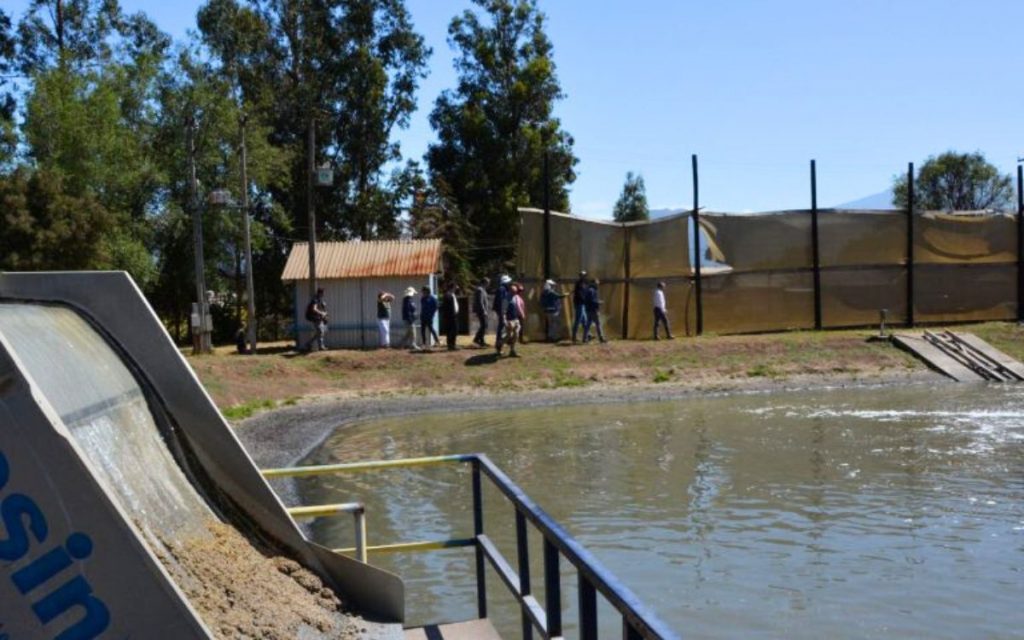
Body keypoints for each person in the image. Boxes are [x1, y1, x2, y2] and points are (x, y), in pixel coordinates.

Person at [501, 283, 526, 358]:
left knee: (516, 335)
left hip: (516, 319)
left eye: (515, 292)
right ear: (510, 291)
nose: (515, 293)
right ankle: (499, 346)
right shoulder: (506, 299)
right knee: (508, 336)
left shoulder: (515, 297)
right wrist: (505, 320)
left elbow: (518, 307)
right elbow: (503, 311)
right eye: (513, 292)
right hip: (509, 320)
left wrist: (521, 315)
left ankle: (512, 351)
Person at [302, 287, 328, 352]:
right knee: (320, 331)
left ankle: (309, 344)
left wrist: (324, 312)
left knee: (321, 331)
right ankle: (320, 346)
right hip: (314, 317)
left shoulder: (319, 299)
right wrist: (322, 313)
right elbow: (314, 309)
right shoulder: (315, 299)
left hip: (317, 317)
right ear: (320, 293)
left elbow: (321, 308)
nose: (323, 294)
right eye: (323, 293)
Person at [583, 278, 607, 343]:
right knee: (598, 324)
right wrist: (599, 302)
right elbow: (592, 301)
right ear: (593, 283)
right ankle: (601, 338)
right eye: (596, 283)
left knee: (588, 325)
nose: (597, 285)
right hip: (593, 310)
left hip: (588, 310)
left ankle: (584, 339)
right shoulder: (592, 290)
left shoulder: (588, 290)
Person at [493, 275, 511, 351]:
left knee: (502, 328)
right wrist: (503, 313)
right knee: (501, 329)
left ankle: (500, 345)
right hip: (502, 312)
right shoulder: (502, 289)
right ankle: (499, 346)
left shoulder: (503, 289)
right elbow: (501, 302)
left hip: (502, 311)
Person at [440, 283, 460, 351]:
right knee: (451, 331)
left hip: (453, 315)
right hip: (450, 316)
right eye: (455, 287)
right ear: (452, 287)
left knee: (454, 331)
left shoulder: (452, 294)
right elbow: (446, 307)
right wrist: (450, 315)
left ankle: (452, 345)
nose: (456, 289)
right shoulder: (447, 295)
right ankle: (451, 345)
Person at [472, 277, 490, 347]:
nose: (488, 284)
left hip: (483, 311)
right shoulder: (480, 290)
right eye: (488, 283)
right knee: (484, 325)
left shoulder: (482, 289)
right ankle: (477, 339)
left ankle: (481, 341)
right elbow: (480, 302)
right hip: (481, 311)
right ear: (484, 282)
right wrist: (484, 311)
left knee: (484, 325)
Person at [571, 270, 589, 343]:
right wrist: (584, 300)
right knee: (578, 321)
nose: (583, 276)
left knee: (585, 321)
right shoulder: (579, 284)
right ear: (580, 276)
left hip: (582, 304)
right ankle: (574, 337)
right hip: (579, 304)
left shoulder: (584, 284)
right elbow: (579, 295)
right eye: (582, 275)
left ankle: (586, 336)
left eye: (584, 275)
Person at [401, 287, 420, 351]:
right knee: (413, 332)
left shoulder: (409, 300)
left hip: (410, 319)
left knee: (409, 332)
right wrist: (410, 320)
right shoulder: (407, 300)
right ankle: (413, 344)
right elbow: (408, 311)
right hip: (409, 319)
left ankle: (402, 344)